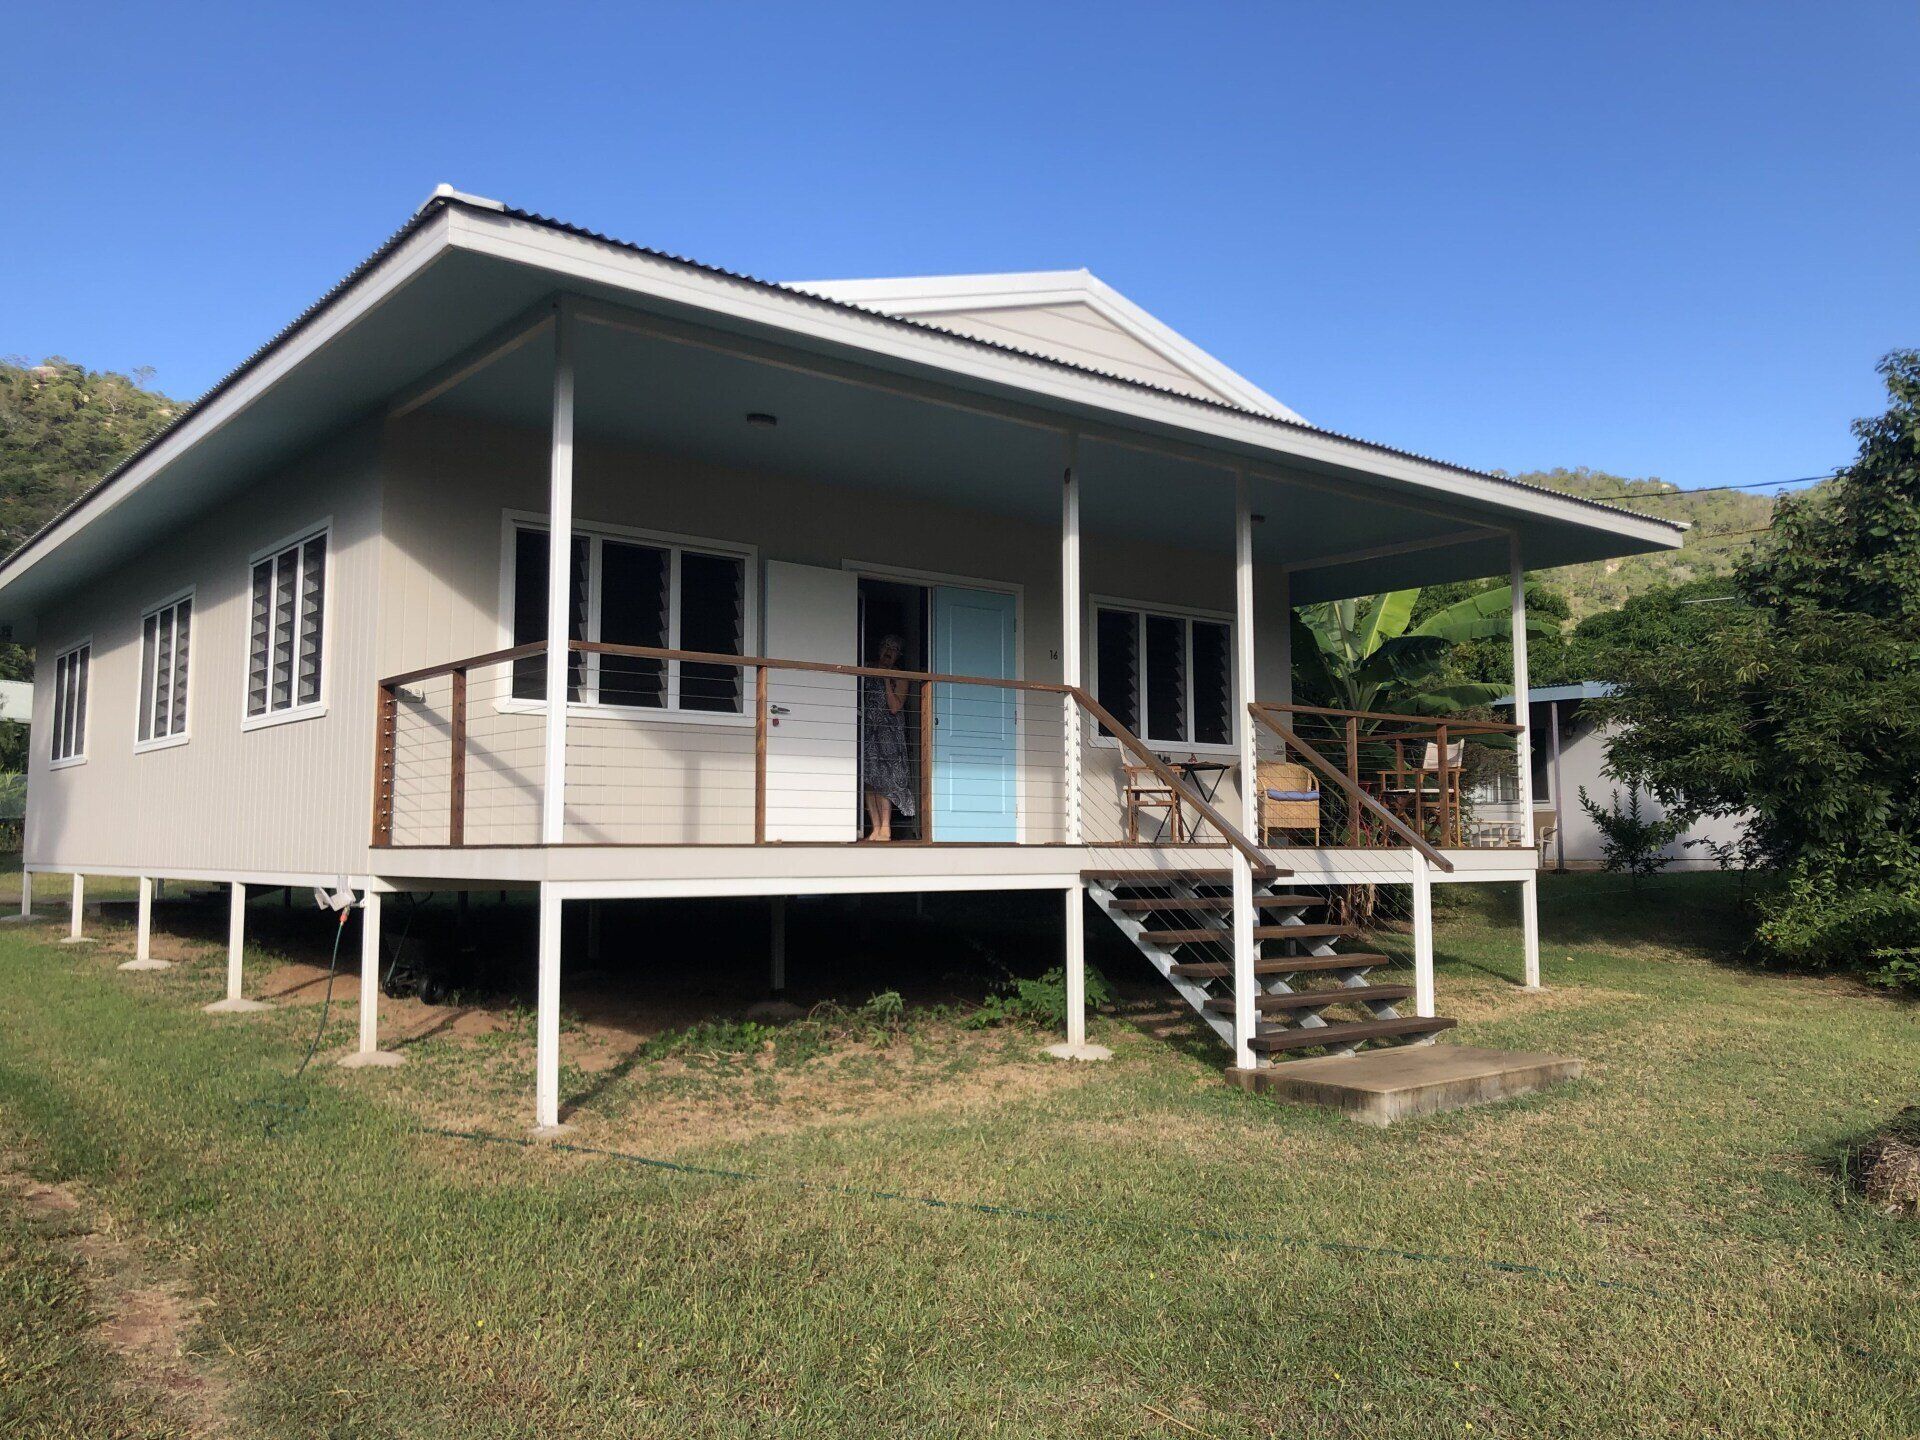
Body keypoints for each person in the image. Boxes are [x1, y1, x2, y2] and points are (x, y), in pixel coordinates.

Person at [861, 633, 916, 841]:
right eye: (885, 646)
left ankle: (886, 829)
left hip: (889, 735)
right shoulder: (867, 667)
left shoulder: (900, 676)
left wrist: (886, 680)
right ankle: (875, 829)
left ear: (898, 655)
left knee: (885, 782)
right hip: (868, 732)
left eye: (893, 649)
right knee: (869, 781)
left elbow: (895, 707)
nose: (888, 652)